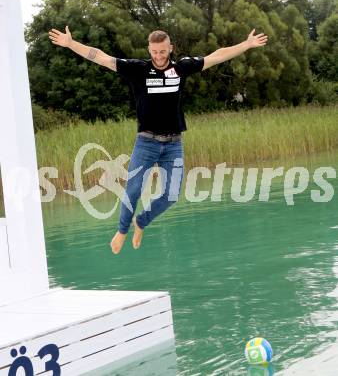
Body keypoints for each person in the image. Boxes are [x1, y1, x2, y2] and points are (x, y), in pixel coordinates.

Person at [49, 26, 268, 254]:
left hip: (174, 144)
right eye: (155, 52)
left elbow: (217, 55)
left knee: (171, 196)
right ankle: (122, 230)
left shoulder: (181, 68)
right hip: (147, 142)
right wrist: (71, 44)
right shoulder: (138, 70)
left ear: (170, 48)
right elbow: (102, 58)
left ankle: (141, 222)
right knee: (133, 190)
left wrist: (247, 44)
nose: (159, 56)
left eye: (163, 52)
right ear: (149, 49)